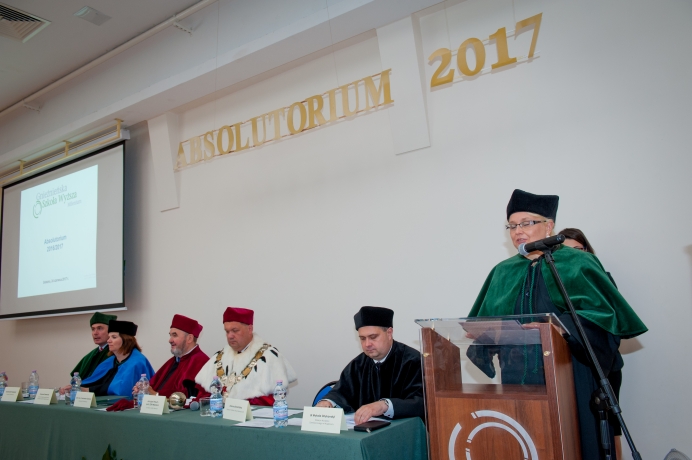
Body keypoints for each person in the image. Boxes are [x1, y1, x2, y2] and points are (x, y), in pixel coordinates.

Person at [468, 189, 647, 460]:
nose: (518, 231)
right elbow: (483, 323)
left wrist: (560, 326)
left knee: (574, 445)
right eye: (512, 226)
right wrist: (484, 335)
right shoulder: (502, 272)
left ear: (549, 225)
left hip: (570, 375)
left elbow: (604, 318)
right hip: (517, 380)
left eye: (526, 223)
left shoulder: (578, 263)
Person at [559, 226, 623, 459]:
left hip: (604, 366)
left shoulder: (601, 278)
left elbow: (611, 320)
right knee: (579, 430)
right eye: (566, 251)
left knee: (611, 428)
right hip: (572, 367)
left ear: (587, 250)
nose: (573, 256)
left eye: (578, 249)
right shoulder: (554, 285)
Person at [316, 306, 425, 424]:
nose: (367, 344)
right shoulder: (357, 365)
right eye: (362, 339)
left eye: (373, 337)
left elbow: (421, 403)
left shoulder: (413, 361)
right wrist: (328, 402)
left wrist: (384, 405)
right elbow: (341, 392)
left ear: (389, 333)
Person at [194, 307, 296, 406]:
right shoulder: (219, 357)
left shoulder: (269, 356)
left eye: (235, 330)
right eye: (227, 331)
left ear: (250, 329)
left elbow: (270, 400)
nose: (230, 336)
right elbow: (204, 394)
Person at [81, 320, 155, 396]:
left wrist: (89, 390)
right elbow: (96, 381)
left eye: (114, 337)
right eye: (109, 337)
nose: (108, 341)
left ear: (126, 340)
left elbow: (123, 390)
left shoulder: (136, 362)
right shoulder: (110, 361)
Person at [145, 314, 209, 398]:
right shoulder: (174, 361)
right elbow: (152, 386)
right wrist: (143, 389)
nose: (170, 340)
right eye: (170, 335)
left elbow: (188, 395)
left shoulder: (201, 362)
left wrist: (155, 394)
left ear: (189, 338)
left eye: (174, 335)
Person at [70, 312, 118, 380]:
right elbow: (77, 379)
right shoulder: (90, 356)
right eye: (93, 329)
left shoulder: (116, 353)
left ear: (111, 331)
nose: (95, 333)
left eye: (100, 328)